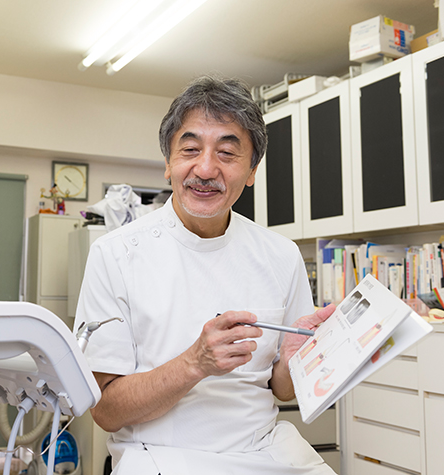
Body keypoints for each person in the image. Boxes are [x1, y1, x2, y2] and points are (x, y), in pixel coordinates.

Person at [74, 76, 337, 475]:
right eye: (191, 149)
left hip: (262, 453)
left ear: (251, 171)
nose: (206, 168)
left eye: (227, 153)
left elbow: (282, 389)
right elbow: (107, 411)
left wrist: (297, 362)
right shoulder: (115, 255)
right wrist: (195, 363)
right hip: (159, 454)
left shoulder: (281, 255)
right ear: (168, 163)